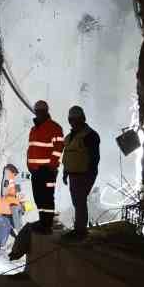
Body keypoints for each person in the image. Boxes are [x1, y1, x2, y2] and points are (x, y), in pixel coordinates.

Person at [61, 106, 102, 240]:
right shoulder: (70, 137)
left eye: (76, 119)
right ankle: (79, 229)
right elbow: (67, 156)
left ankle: (80, 231)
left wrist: (90, 174)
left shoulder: (90, 136)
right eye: (72, 120)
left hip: (84, 174)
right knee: (77, 201)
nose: (74, 122)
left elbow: (94, 157)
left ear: (82, 119)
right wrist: (65, 173)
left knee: (80, 201)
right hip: (74, 174)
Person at [26, 100, 65, 233]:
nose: (39, 114)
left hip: (48, 171)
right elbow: (31, 148)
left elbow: (59, 147)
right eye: (37, 111)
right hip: (36, 171)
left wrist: (51, 166)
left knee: (47, 197)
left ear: (46, 111)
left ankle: (47, 225)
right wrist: (29, 165)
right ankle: (43, 221)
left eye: (41, 111)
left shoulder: (55, 127)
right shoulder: (34, 129)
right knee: (38, 197)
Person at [0, 164, 23, 255]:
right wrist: (20, 234)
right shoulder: (15, 206)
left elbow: (14, 224)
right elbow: (17, 223)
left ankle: (1, 247)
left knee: (7, 225)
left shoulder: (16, 202)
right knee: (3, 225)